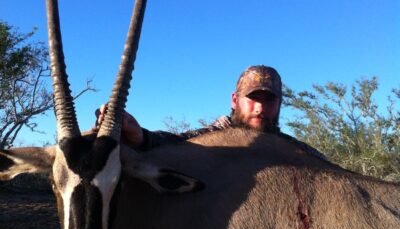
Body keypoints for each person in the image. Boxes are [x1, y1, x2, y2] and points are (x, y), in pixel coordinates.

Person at [96, 65, 326, 160]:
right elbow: (175, 142)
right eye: (253, 98)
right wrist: (140, 136)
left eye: (270, 100)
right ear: (235, 100)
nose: (260, 108)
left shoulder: (293, 149)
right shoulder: (212, 135)